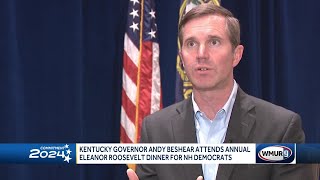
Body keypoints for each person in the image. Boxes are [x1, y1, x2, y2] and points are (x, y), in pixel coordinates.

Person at [127, 3, 317, 180]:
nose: (201, 54)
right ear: (182, 59)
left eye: (214, 42)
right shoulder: (156, 131)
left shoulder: (280, 129)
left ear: (237, 55)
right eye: (191, 44)